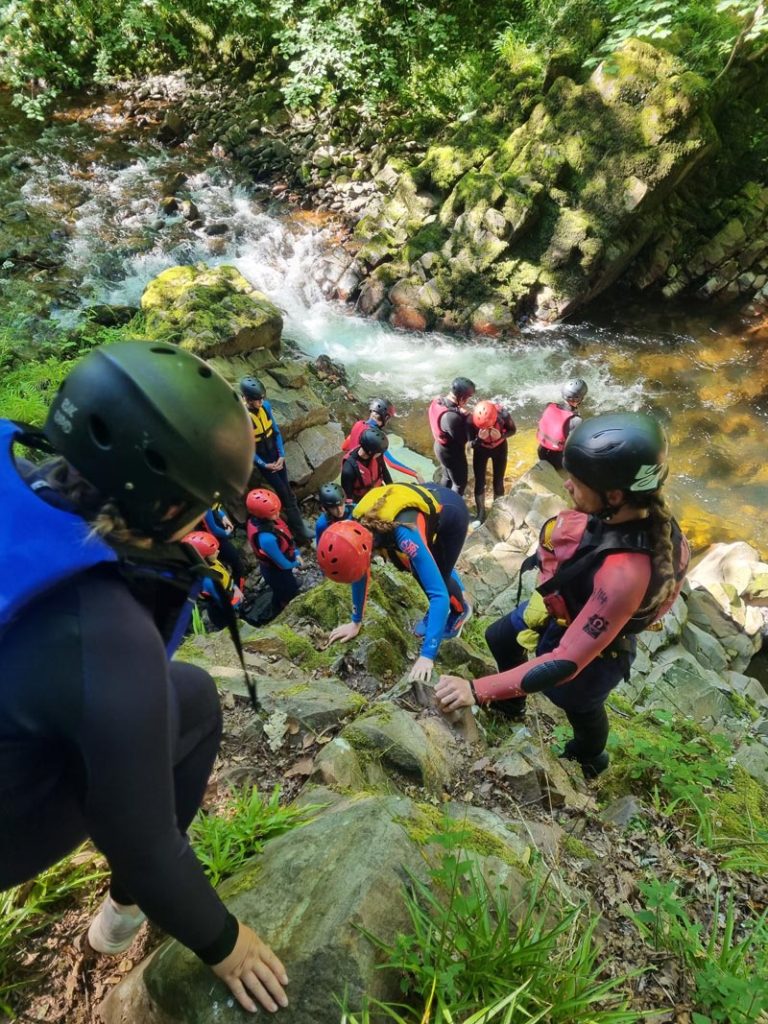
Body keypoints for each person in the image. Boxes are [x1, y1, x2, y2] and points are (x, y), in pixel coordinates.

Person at [0, 342, 288, 1016]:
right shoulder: (104, 635)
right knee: (185, 705)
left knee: (185, 694)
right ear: (168, 510)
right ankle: (119, 919)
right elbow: (142, 837)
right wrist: (227, 943)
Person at [436, 412, 690, 778]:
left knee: (576, 703)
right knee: (499, 637)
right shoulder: (629, 511)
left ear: (614, 495)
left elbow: (565, 662)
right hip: (567, 602)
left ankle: (589, 756)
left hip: (597, 647)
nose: (567, 485)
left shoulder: (625, 574)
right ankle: (513, 707)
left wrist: (477, 690)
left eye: (577, 481)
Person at [317, 482, 472, 683]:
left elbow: (439, 595)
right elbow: (360, 574)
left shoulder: (405, 535)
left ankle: (461, 612)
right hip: (417, 502)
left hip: (452, 511)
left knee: (435, 578)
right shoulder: (353, 527)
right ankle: (441, 589)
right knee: (419, 566)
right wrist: (355, 622)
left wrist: (427, 655)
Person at [240, 376, 311, 545]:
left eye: (262, 398)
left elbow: (276, 432)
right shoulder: (243, 418)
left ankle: (298, 525)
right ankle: (300, 533)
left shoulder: (266, 407)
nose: (260, 402)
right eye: (257, 400)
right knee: (285, 494)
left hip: (276, 456)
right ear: (246, 399)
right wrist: (265, 464)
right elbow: (247, 448)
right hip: (265, 462)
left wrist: (282, 456)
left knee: (287, 490)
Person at [246, 488, 301, 619]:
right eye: (274, 513)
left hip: (277, 568)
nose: (278, 514)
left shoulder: (257, 520)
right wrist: (296, 562)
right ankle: (287, 612)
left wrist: (296, 551)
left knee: (284, 587)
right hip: (276, 571)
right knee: (289, 592)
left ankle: (280, 598)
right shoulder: (266, 538)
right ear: (261, 515)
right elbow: (283, 564)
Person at [342, 397, 422, 483]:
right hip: (366, 482)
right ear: (386, 418)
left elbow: (344, 447)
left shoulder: (358, 424)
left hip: (352, 474)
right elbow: (392, 462)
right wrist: (416, 474)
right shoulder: (376, 437)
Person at [182, 530, 245, 631]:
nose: (218, 551)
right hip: (220, 610)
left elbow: (226, 577)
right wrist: (236, 599)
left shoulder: (211, 562)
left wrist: (235, 588)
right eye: (214, 551)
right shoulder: (208, 579)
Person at [470, 400, 516, 524]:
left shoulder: (503, 415)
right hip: (481, 450)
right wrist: (479, 439)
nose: (487, 429)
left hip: (499, 448)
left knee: (498, 481)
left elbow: (513, 430)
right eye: (483, 427)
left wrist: (501, 436)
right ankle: (481, 513)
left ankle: (497, 510)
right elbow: (471, 444)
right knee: (479, 481)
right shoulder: (471, 420)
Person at [428, 377, 475, 496]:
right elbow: (463, 441)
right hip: (451, 453)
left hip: (439, 447)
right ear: (462, 397)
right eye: (468, 397)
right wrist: (468, 420)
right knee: (459, 484)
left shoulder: (438, 401)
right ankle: (453, 507)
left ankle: (441, 502)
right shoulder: (451, 417)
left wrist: (459, 412)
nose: (468, 400)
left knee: (447, 477)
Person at [536, 378, 588, 471]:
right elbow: (573, 447)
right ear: (581, 399)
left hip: (541, 451)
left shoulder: (549, 406)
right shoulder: (576, 420)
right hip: (557, 460)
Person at [340, 426, 391, 502]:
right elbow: (348, 497)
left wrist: (392, 489)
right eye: (379, 453)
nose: (380, 454)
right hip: (361, 499)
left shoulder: (376, 455)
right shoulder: (348, 469)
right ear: (370, 452)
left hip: (377, 490)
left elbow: (384, 471)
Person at [201, 502, 245, 587]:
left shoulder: (209, 496)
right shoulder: (202, 503)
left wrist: (223, 516)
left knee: (235, 563)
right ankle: (236, 592)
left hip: (219, 535)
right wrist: (227, 532)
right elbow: (213, 529)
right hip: (213, 540)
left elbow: (216, 507)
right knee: (237, 564)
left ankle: (237, 590)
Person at [314, 482, 353, 546]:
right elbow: (321, 546)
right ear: (326, 509)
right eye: (333, 508)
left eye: (341, 505)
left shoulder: (354, 510)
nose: (339, 510)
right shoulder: (322, 524)